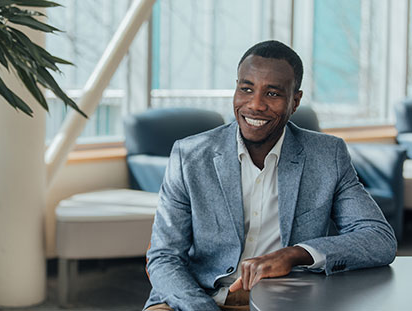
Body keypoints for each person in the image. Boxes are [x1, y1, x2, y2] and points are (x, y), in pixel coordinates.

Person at [143, 40, 396, 311]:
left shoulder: (326, 155)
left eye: (272, 94)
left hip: (283, 301)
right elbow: (164, 257)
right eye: (246, 89)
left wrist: (295, 254)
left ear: (295, 101)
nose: (255, 105)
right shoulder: (190, 156)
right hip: (195, 299)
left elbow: (379, 238)